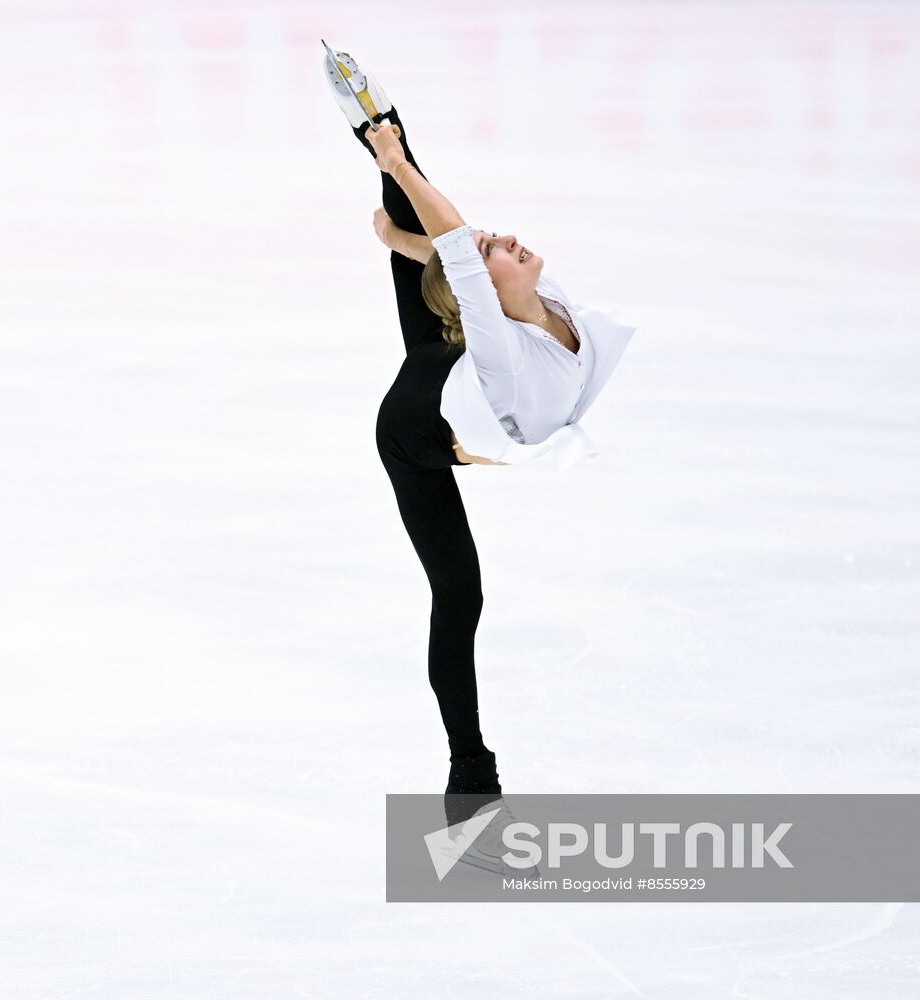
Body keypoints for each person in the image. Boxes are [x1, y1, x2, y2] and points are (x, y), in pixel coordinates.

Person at [325, 49, 636, 827]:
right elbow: (460, 251)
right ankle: (471, 771)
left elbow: (460, 254)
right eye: (502, 247)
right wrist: (392, 163)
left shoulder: (544, 298)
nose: (514, 241)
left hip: (448, 361)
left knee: (423, 233)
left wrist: (393, 173)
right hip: (413, 428)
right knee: (459, 592)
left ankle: (378, 137)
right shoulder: (496, 347)